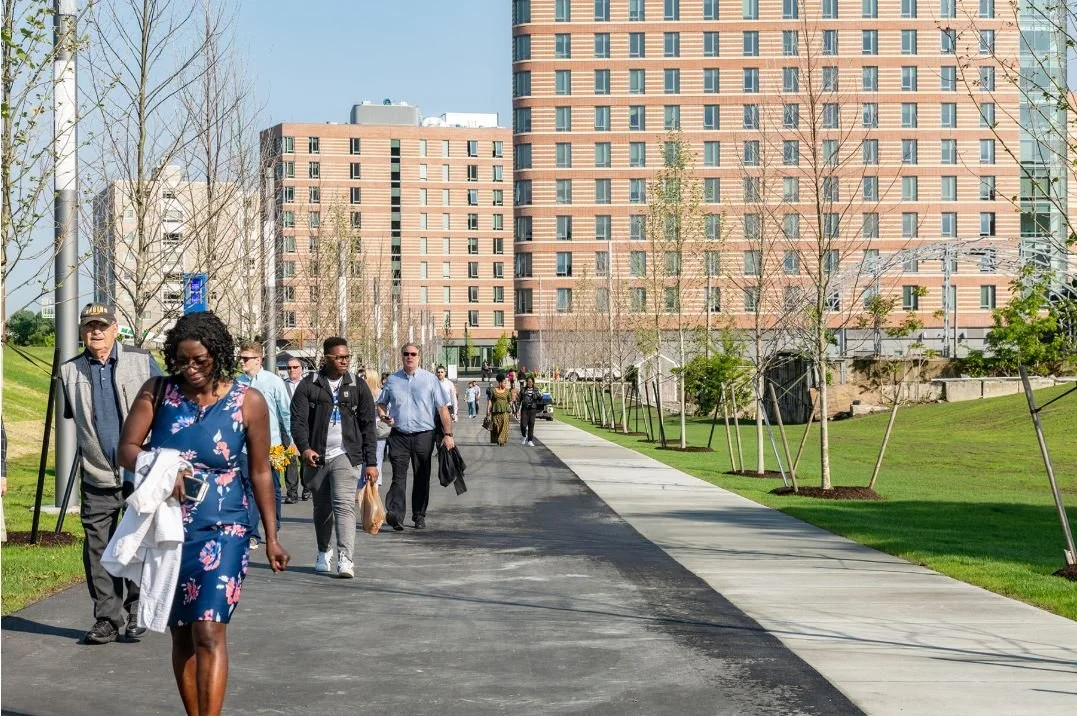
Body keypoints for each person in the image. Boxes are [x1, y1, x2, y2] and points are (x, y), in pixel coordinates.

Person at [117, 311, 289, 716]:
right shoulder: (157, 392)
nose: (190, 369)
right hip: (169, 528)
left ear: (218, 354)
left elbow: (261, 471)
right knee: (181, 634)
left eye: (199, 360)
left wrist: (273, 536)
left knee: (209, 629)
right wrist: (162, 468)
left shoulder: (248, 402)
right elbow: (125, 448)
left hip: (225, 526)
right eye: (182, 360)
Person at [60, 302, 163, 645]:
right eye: (90, 326)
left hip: (139, 473)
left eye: (102, 326)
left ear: (116, 328)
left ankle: (136, 609)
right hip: (97, 474)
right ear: (82, 332)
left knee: (135, 544)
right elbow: (74, 418)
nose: (96, 332)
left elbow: (164, 405)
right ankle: (107, 617)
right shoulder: (69, 370)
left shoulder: (140, 360)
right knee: (97, 548)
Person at [290, 337, 377, 577]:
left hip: (346, 454)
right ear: (326, 358)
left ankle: (345, 558)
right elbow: (297, 422)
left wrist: (371, 462)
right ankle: (322, 551)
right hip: (317, 456)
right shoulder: (310, 385)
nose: (344, 361)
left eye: (347, 357)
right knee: (322, 508)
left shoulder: (357, 386)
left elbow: (368, 425)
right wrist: (305, 448)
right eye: (339, 357)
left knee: (344, 505)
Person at [376, 342, 455, 530]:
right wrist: (382, 415)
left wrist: (448, 434)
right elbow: (381, 404)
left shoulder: (430, 380)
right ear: (402, 356)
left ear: (419, 357)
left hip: (424, 436)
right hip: (399, 435)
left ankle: (419, 515)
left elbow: (443, 409)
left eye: (413, 354)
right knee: (398, 476)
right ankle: (396, 515)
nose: (409, 357)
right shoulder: (393, 380)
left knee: (422, 476)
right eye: (406, 354)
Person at [236, 342, 291, 548]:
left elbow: (286, 412)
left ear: (258, 360)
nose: (242, 362)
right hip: (244, 446)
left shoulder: (274, 382)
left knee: (274, 486)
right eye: (241, 358)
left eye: (246, 358)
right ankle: (252, 533)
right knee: (249, 488)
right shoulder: (237, 383)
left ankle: (273, 527)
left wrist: (292, 441)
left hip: (273, 445)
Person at [282, 358, 308, 503]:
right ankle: (292, 492)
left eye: (295, 367)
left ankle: (307, 487)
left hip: (303, 427)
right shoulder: (282, 385)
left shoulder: (307, 384)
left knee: (304, 458)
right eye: (289, 367)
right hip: (287, 427)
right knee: (289, 460)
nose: (292, 370)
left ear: (301, 368)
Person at [362, 368, 387, 485]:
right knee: (363, 459)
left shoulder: (381, 393)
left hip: (378, 431)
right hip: (364, 429)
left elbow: (386, 410)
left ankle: (374, 485)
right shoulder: (362, 392)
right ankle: (365, 484)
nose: (362, 378)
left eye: (365, 376)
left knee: (377, 458)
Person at [487, 374, 512, 446]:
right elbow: (490, 401)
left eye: (506, 383)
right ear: (500, 382)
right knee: (496, 426)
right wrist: (488, 410)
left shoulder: (507, 391)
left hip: (505, 411)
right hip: (495, 411)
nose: (506, 384)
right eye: (504, 382)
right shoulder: (493, 390)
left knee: (504, 426)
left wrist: (512, 410)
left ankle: (501, 440)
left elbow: (510, 401)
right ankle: (498, 438)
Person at [519, 376, 542, 447]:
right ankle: (524, 436)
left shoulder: (536, 389)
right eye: (528, 382)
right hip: (524, 409)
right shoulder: (523, 389)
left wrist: (540, 395)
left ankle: (530, 440)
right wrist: (516, 409)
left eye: (531, 382)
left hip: (532, 409)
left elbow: (540, 399)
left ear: (533, 382)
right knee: (523, 425)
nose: (529, 383)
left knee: (531, 424)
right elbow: (519, 399)